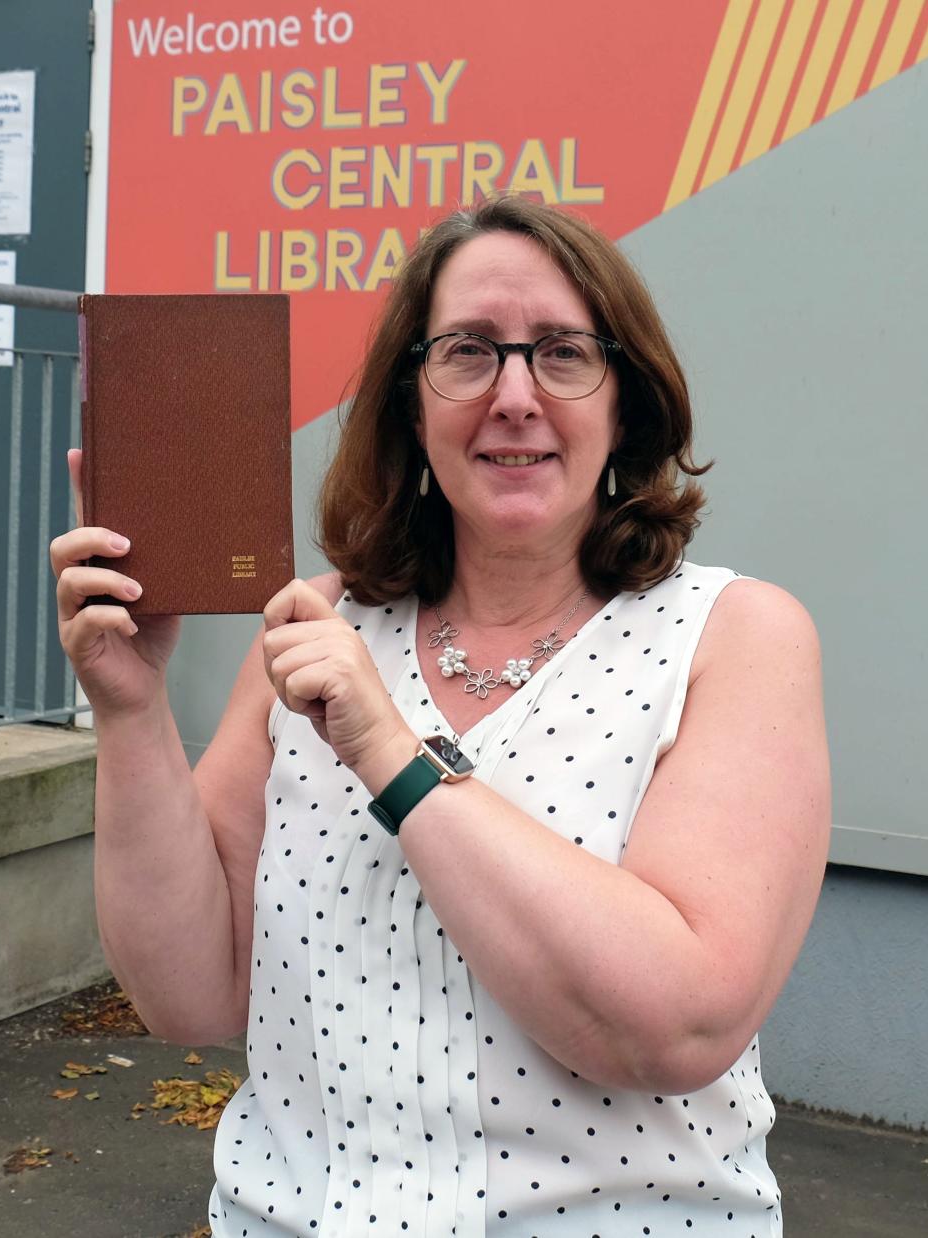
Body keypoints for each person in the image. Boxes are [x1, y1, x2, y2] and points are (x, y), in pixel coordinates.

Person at [52, 195, 829, 1236]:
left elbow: (676, 1023)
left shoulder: (733, 636)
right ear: (412, 407)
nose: (514, 395)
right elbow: (190, 994)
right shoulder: (318, 626)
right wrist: (132, 712)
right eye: (468, 352)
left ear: (626, 405)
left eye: (561, 353)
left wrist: (392, 753)